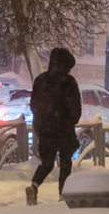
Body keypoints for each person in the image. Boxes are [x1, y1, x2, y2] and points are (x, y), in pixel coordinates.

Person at [25, 48, 81, 206]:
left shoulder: (40, 80)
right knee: (65, 163)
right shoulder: (68, 82)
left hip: (45, 130)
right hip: (64, 129)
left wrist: (43, 123)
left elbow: (34, 105)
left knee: (47, 163)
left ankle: (34, 186)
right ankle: (63, 195)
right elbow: (75, 108)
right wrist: (69, 119)